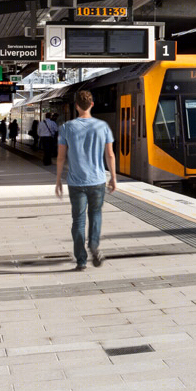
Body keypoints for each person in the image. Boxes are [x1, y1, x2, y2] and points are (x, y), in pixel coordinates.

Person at [55, 89, 117, 272]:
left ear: (76, 106)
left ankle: (81, 260)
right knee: (96, 214)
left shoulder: (66, 127)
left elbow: (60, 157)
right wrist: (113, 177)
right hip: (97, 180)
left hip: (76, 182)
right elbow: (110, 155)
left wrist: (58, 180)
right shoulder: (103, 126)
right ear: (92, 105)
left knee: (78, 221)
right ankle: (94, 246)